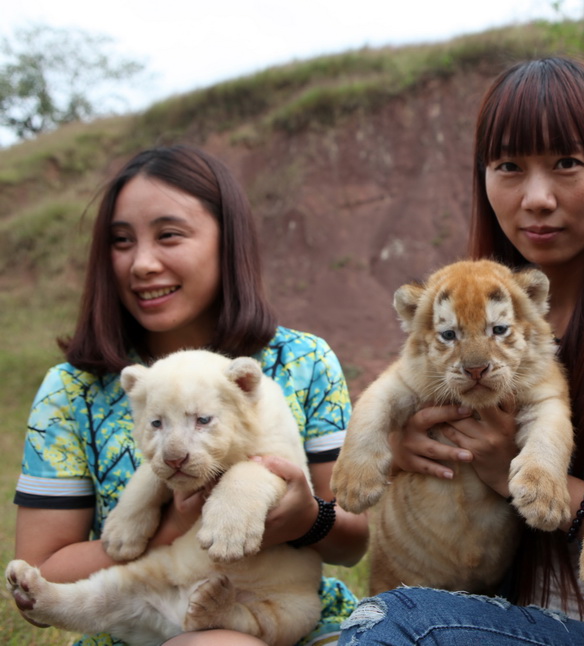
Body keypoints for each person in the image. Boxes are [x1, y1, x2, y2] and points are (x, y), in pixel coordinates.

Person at [338, 57, 584, 645]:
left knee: (389, 631)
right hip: (503, 616)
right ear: (482, 178)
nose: (536, 198)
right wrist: (403, 443)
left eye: (566, 163)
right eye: (509, 166)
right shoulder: (466, 304)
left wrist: (531, 477)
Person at [11, 145, 369, 646]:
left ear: (228, 241)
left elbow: (355, 542)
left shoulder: (301, 363)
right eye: (120, 241)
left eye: (169, 235)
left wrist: (306, 517)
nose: (142, 264)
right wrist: (167, 527)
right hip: (141, 620)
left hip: (282, 617)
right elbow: (41, 577)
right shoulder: (71, 392)